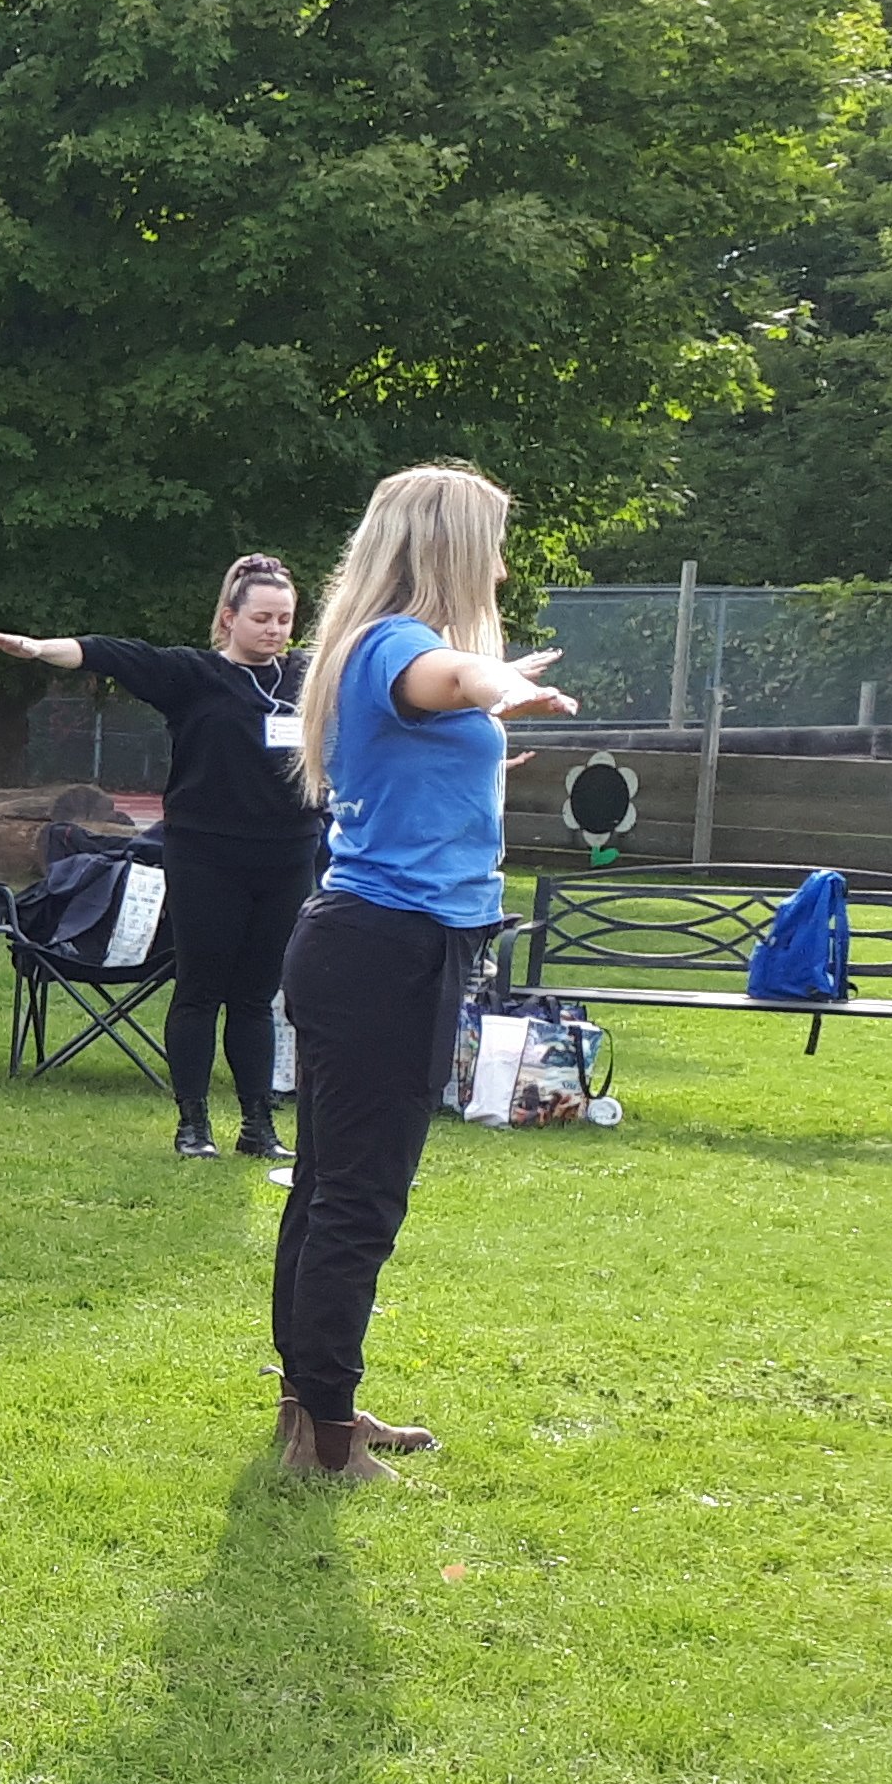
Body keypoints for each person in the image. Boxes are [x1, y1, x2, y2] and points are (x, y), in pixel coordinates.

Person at [269, 463, 575, 1482]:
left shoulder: (372, 647)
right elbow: (457, 679)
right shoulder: (408, 646)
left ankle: (313, 1410)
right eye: (489, 540)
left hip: (367, 943)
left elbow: (448, 707)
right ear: (448, 548)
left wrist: (494, 706)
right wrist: (506, 685)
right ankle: (325, 1436)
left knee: (326, 1187)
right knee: (358, 1199)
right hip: (387, 951)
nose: (497, 561)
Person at [0, 558, 319, 1159]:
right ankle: (193, 1125)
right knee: (200, 989)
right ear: (229, 618)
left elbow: (384, 707)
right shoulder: (193, 675)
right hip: (206, 855)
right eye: (262, 618)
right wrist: (38, 649)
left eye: (285, 620)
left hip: (287, 855)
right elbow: (111, 653)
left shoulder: (305, 678)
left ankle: (257, 1126)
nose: (274, 630)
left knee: (256, 995)